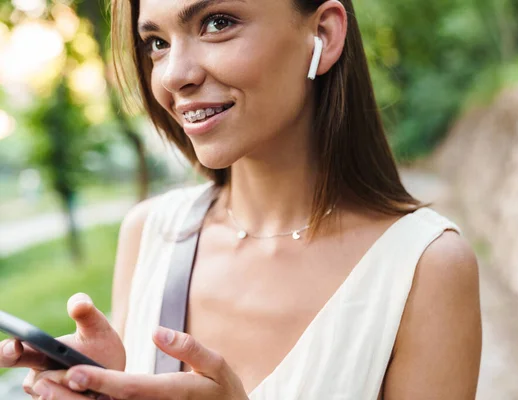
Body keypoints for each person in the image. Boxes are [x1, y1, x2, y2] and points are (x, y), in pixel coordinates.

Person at [0, 0, 482, 398]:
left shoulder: (425, 268)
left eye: (217, 23)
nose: (174, 76)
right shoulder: (151, 233)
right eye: (157, 44)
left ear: (325, 35)